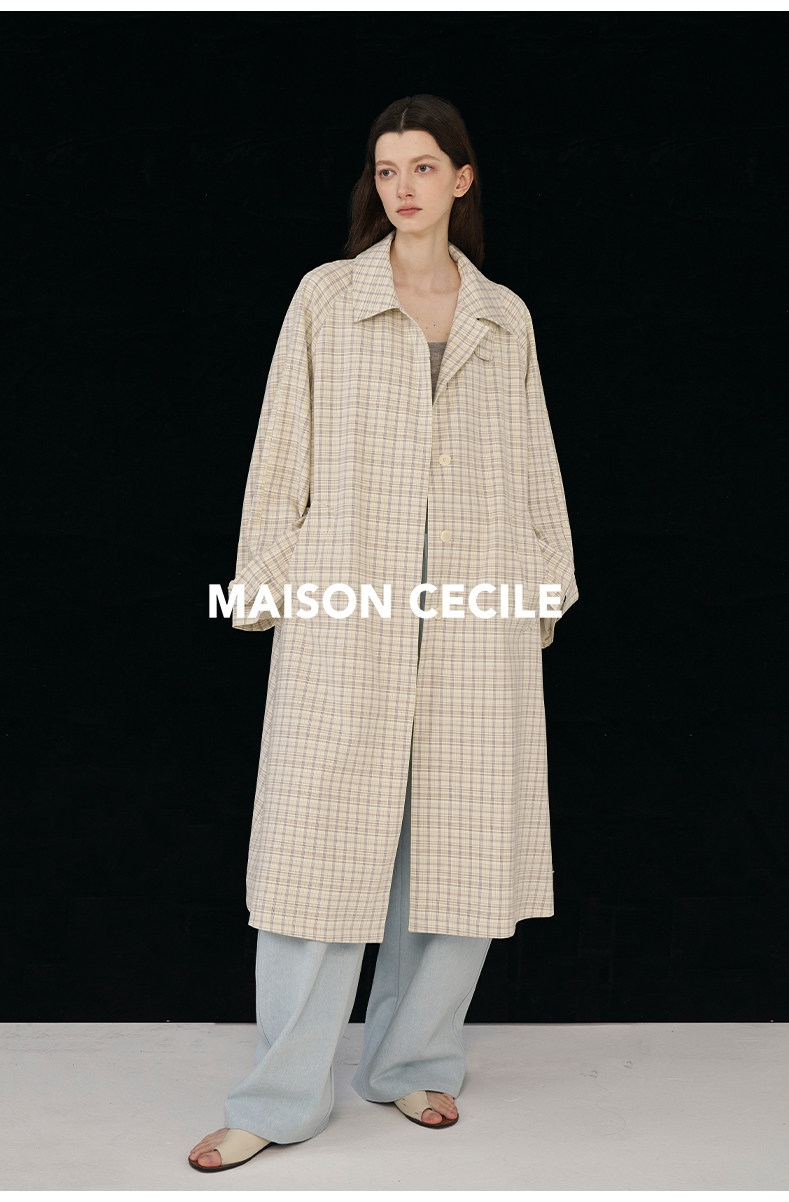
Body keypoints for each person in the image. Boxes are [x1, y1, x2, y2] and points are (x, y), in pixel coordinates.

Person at [189, 93, 578, 1172]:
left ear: (462, 178)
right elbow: (281, 448)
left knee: (457, 849)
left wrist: (542, 585)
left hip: (473, 614)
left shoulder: (504, 316)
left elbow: (534, 459)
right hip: (346, 607)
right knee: (318, 851)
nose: (403, 186)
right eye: (386, 168)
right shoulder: (328, 297)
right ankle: (280, 1097)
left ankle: (412, 1064)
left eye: (423, 166)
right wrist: (272, 580)